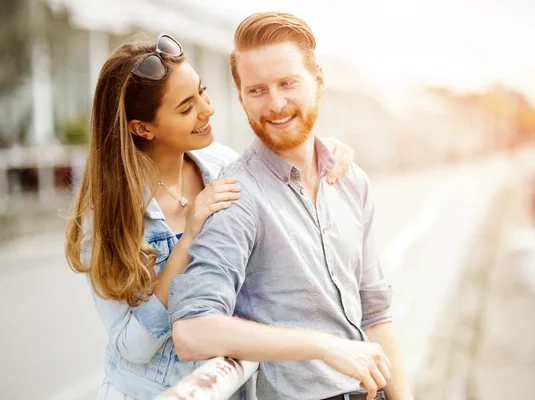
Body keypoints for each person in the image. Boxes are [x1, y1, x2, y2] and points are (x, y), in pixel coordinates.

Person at [64, 33, 357, 400]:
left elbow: (283, 189)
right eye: (186, 108)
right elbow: (130, 346)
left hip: (227, 386)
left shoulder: (222, 165)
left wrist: (320, 151)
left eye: (202, 92)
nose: (208, 110)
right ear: (143, 128)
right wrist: (188, 239)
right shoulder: (106, 217)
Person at [168, 12, 415, 400]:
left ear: (318, 82)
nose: (276, 104)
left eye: (287, 83)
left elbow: (376, 313)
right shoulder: (236, 197)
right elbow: (191, 330)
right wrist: (324, 345)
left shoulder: (352, 182)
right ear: (240, 98)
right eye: (257, 90)